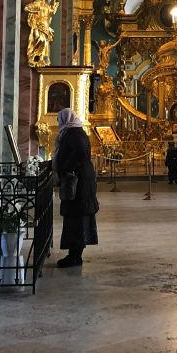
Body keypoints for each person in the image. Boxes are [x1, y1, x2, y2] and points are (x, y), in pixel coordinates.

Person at [54, 108, 98, 268]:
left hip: (78, 182)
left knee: (76, 217)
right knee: (77, 217)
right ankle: (75, 253)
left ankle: (74, 255)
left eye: (60, 119)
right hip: (80, 179)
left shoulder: (73, 135)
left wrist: (63, 169)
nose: (58, 122)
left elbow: (75, 157)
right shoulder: (77, 133)